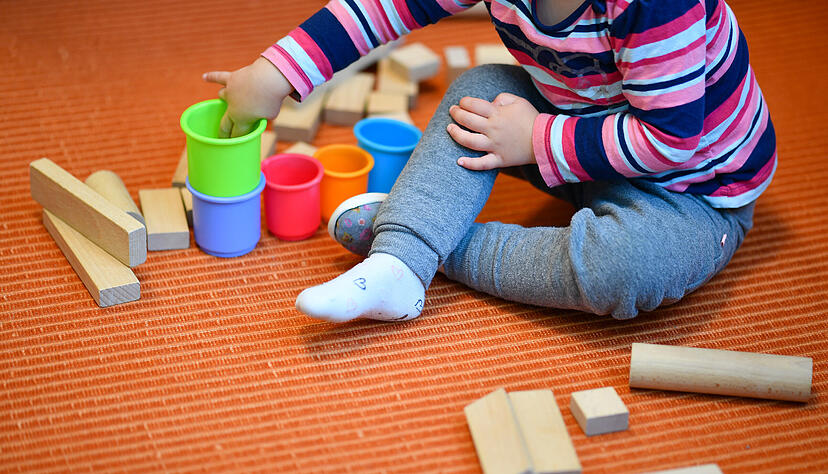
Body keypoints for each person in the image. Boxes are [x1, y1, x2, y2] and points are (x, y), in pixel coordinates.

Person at [204, 0, 776, 322]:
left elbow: (673, 139)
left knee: (623, 269)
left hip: (693, 191)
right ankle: (401, 264)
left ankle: (424, 242)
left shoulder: (656, 4)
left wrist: (536, 140)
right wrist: (275, 73)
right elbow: (382, 9)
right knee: (478, 91)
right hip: (572, 131)